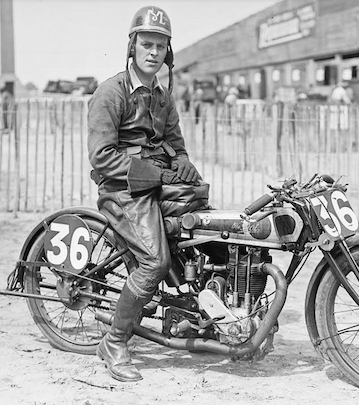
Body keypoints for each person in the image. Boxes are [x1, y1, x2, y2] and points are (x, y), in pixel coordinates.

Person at [87, 5, 203, 382]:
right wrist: (152, 172)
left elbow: (176, 144)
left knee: (205, 223)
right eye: (146, 44)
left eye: (160, 46)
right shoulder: (111, 92)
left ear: (168, 52)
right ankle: (114, 342)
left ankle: (199, 309)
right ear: (132, 47)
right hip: (122, 188)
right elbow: (102, 156)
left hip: (156, 183)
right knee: (154, 261)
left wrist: (182, 164)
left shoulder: (163, 97)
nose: (153, 52)